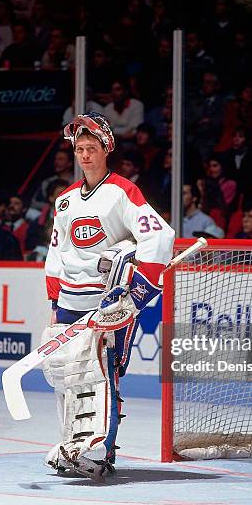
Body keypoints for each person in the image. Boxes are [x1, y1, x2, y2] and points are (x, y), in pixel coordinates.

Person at [43, 112, 174, 479]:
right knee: (69, 376)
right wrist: (55, 304)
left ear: (106, 149)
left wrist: (139, 292)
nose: (84, 155)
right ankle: (72, 446)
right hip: (70, 302)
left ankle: (100, 451)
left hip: (107, 302)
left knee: (104, 376)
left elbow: (159, 237)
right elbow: (56, 254)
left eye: (91, 148)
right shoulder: (65, 201)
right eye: (79, 148)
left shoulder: (123, 192)